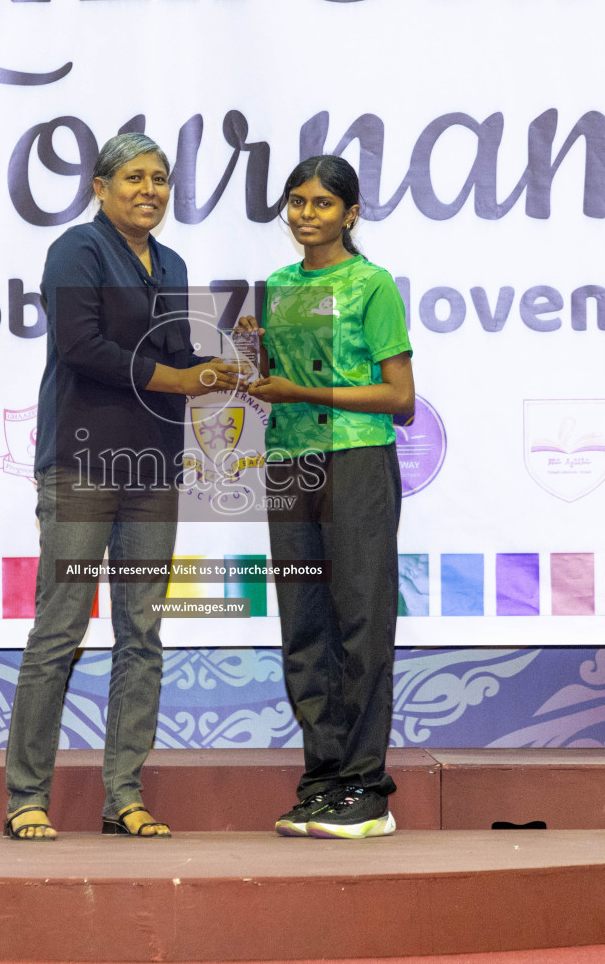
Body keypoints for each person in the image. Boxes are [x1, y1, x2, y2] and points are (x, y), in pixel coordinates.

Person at [4, 133, 240, 841]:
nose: (150, 190)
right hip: (79, 467)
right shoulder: (77, 248)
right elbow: (83, 348)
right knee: (61, 629)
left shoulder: (170, 261)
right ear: (99, 188)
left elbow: (177, 354)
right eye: (134, 177)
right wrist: (179, 379)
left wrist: (227, 366)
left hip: (152, 473)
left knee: (142, 633)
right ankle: (25, 797)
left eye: (161, 179)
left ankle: (125, 798)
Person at [240, 154, 415, 839]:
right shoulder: (278, 287)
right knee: (305, 628)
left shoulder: (372, 286)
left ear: (350, 213)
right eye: (296, 202)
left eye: (320, 203)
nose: (305, 215)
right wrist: (250, 358)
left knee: (359, 624)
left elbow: (400, 399)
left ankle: (367, 791)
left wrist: (300, 389)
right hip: (288, 465)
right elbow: (277, 384)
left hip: (357, 462)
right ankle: (322, 781)